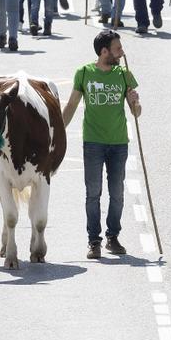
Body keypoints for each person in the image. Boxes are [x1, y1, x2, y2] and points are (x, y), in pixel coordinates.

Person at [61, 30, 140, 259]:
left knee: (117, 193)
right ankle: (93, 241)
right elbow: (72, 105)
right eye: (117, 49)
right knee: (93, 193)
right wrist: (57, 132)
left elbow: (137, 113)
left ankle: (112, 237)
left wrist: (135, 102)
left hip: (118, 143)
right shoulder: (84, 73)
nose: (121, 52)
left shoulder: (124, 75)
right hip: (93, 143)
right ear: (104, 52)